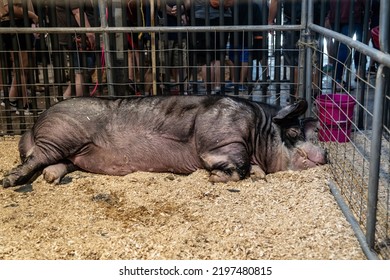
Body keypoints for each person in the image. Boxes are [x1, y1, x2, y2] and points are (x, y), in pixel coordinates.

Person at [185, 0, 233, 94]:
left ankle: (209, 91)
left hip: (201, 18)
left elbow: (187, 3)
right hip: (224, 17)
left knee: (205, 58)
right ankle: (218, 88)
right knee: (219, 56)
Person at [0, 0, 38, 115]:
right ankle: (24, 104)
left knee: (23, 67)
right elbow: (9, 8)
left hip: (19, 24)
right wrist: (33, 15)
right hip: (15, 24)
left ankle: (12, 100)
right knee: (22, 66)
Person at [55, 0, 97, 99]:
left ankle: (65, 98)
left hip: (77, 36)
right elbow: (77, 12)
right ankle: (77, 103)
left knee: (84, 70)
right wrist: (90, 34)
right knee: (81, 72)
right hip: (78, 37)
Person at [326, 0, 365, 91]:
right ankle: (338, 80)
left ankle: (336, 78)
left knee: (337, 45)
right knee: (345, 47)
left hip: (334, 15)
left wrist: (327, 14)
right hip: (351, 15)